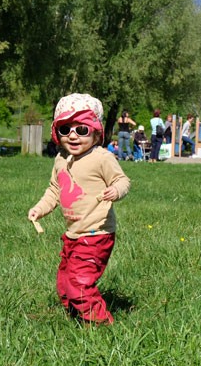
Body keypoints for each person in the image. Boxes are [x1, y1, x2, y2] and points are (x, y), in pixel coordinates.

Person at [28, 94, 130, 325]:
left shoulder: (101, 158)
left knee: (79, 283)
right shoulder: (61, 159)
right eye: (65, 129)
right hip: (73, 234)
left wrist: (115, 191)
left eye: (82, 129)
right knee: (65, 281)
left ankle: (101, 323)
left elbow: (122, 181)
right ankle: (76, 316)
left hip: (96, 233)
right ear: (57, 133)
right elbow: (54, 190)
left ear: (96, 132)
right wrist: (40, 209)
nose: (73, 135)